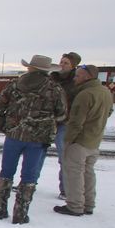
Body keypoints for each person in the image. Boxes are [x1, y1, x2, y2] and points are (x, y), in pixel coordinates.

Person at [0, 54, 68, 224]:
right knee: (29, 176)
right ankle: (21, 213)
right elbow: (62, 114)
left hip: (14, 136)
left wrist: (4, 127)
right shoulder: (55, 89)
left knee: (6, 172)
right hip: (38, 140)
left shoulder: (14, 85)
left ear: (30, 68)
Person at [54, 64, 113, 217]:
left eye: (78, 76)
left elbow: (76, 122)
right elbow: (109, 112)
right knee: (88, 173)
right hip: (94, 140)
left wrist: (68, 140)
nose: (75, 78)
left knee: (74, 173)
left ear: (87, 77)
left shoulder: (85, 95)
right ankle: (88, 204)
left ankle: (75, 205)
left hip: (79, 141)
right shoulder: (105, 92)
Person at [49, 51, 81, 196]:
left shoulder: (77, 82)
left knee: (64, 156)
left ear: (74, 65)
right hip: (49, 122)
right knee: (37, 153)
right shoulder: (52, 78)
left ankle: (65, 189)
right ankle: (28, 183)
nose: (62, 65)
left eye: (66, 63)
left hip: (64, 124)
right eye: (61, 62)